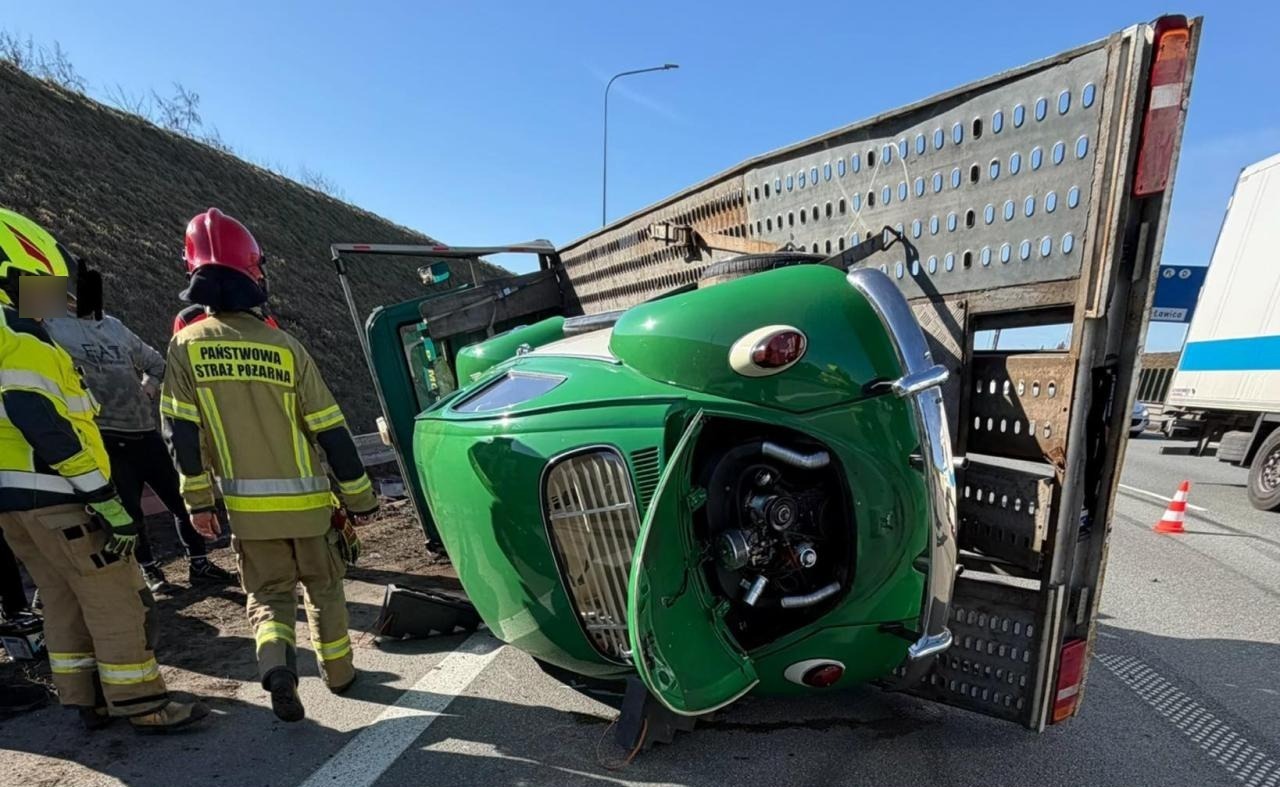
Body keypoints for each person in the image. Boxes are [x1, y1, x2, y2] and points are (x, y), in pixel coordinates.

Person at [161, 208, 377, 722]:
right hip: (308, 508)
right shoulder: (286, 347)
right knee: (324, 591)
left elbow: (180, 435)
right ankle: (341, 675)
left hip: (249, 512)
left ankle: (277, 667)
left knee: (268, 597)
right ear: (253, 274)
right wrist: (361, 498)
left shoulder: (185, 347)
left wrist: (198, 503)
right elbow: (331, 429)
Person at [0, 208, 208, 732]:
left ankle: (84, 696)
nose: (57, 299)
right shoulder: (21, 341)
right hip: (60, 496)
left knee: (61, 598)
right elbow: (43, 423)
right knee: (112, 595)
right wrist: (104, 497)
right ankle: (142, 702)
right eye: (47, 286)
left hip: (16, 506)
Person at [44, 309, 237, 594]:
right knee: (130, 512)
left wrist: (148, 390)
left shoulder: (112, 326)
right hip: (105, 434)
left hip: (144, 431)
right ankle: (149, 571)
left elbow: (157, 364)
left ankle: (200, 564)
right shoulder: (49, 325)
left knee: (182, 500)